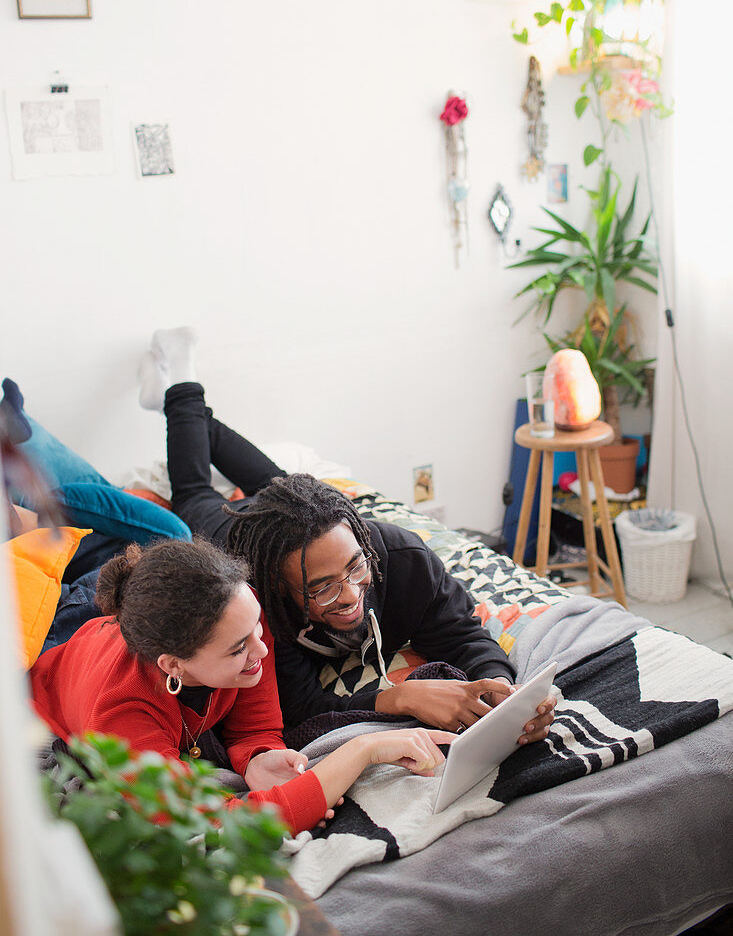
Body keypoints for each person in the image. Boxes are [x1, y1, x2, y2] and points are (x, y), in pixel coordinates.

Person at [139, 328, 556, 741]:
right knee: (192, 494)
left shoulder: (403, 559)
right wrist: (400, 697)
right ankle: (182, 375)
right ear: (281, 589)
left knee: (287, 486)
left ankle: (184, 410)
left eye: (356, 568)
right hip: (237, 530)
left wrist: (500, 692)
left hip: (295, 519)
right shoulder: (255, 605)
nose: (352, 595)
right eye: (321, 589)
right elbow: (299, 707)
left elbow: (465, 636)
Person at [30, 536, 454, 836]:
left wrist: (257, 755)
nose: (263, 652)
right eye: (238, 650)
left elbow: (255, 723)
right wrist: (362, 749)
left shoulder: (239, 610)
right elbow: (215, 820)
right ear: (174, 664)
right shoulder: (119, 715)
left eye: (257, 629)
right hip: (56, 673)